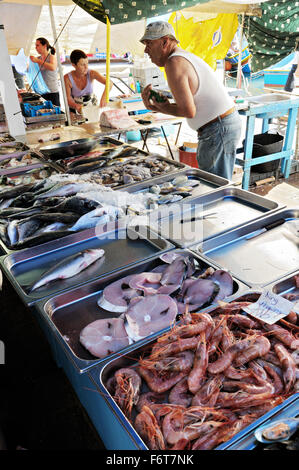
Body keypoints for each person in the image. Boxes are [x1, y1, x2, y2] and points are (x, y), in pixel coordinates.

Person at [140, 21, 242, 180]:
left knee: (215, 187)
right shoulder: (180, 57)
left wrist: (160, 108)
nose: (146, 50)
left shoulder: (174, 63)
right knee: (215, 184)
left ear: (165, 42)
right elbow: (188, 104)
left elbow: (188, 110)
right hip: (221, 126)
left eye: (149, 44)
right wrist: (163, 106)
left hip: (218, 128)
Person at [64, 49, 113, 114]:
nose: (86, 67)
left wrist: (104, 97)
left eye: (87, 63)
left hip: (92, 106)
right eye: (82, 65)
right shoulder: (67, 78)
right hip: (75, 109)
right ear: (74, 65)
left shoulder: (92, 73)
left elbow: (109, 83)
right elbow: (68, 98)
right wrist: (76, 106)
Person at [30, 37, 60, 106]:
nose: (36, 47)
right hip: (41, 92)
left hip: (52, 92)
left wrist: (37, 61)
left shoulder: (51, 57)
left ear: (45, 46)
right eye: (35, 45)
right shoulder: (37, 58)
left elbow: (52, 67)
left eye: (37, 45)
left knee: (55, 113)